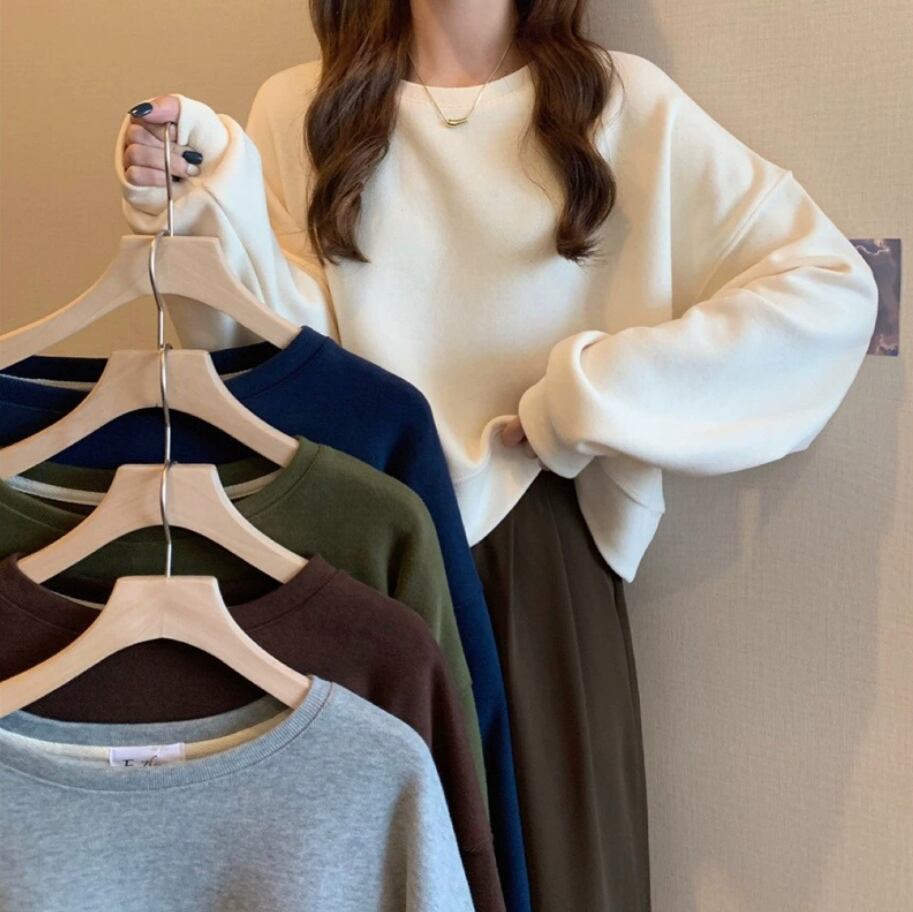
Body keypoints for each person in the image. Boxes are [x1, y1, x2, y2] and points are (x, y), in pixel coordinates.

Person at [118, 1, 879, 909]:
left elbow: (825, 289)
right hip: (350, 546)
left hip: (537, 551)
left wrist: (585, 395)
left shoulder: (618, 102)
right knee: (353, 871)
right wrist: (194, 192)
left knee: (560, 868)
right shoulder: (303, 108)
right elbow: (269, 354)